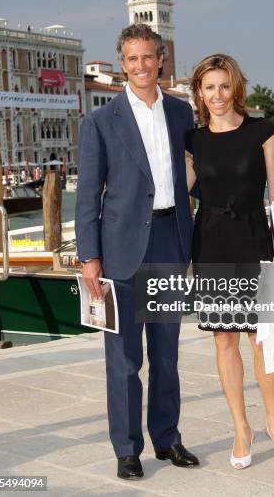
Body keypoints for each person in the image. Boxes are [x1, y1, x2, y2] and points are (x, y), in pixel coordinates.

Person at [75, 24, 199, 480]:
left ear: (161, 58)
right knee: (124, 359)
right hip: (119, 251)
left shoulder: (182, 113)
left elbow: (199, 175)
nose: (141, 66)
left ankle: (167, 439)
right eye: (132, 59)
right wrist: (90, 257)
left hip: (170, 241)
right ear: (123, 63)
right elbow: (87, 195)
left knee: (167, 354)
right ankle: (127, 449)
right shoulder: (100, 122)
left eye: (148, 57)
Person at [185, 53, 274, 470]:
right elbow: (180, 192)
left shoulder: (261, 131)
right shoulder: (192, 140)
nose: (217, 95)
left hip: (255, 240)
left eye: (224, 86)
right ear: (199, 92)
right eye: (209, 87)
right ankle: (241, 428)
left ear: (236, 88)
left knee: (262, 338)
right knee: (224, 339)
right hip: (212, 243)